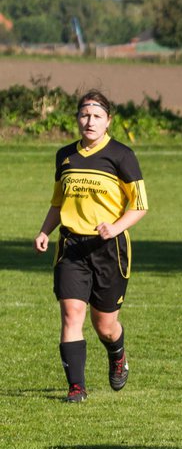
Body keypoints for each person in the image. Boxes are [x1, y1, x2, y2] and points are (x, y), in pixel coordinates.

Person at [33, 90, 148, 403]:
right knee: (71, 314)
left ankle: (117, 353)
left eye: (97, 116)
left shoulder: (122, 155)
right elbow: (58, 202)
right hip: (72, 246)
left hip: (110, 249)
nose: (90, 121)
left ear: (108, 121)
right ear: (77, 119)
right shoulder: (65, 156)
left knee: (105, 325)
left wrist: (115, 227)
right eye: (84, 115)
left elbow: (139, 206)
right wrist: (45, 231)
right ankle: (76, 387)